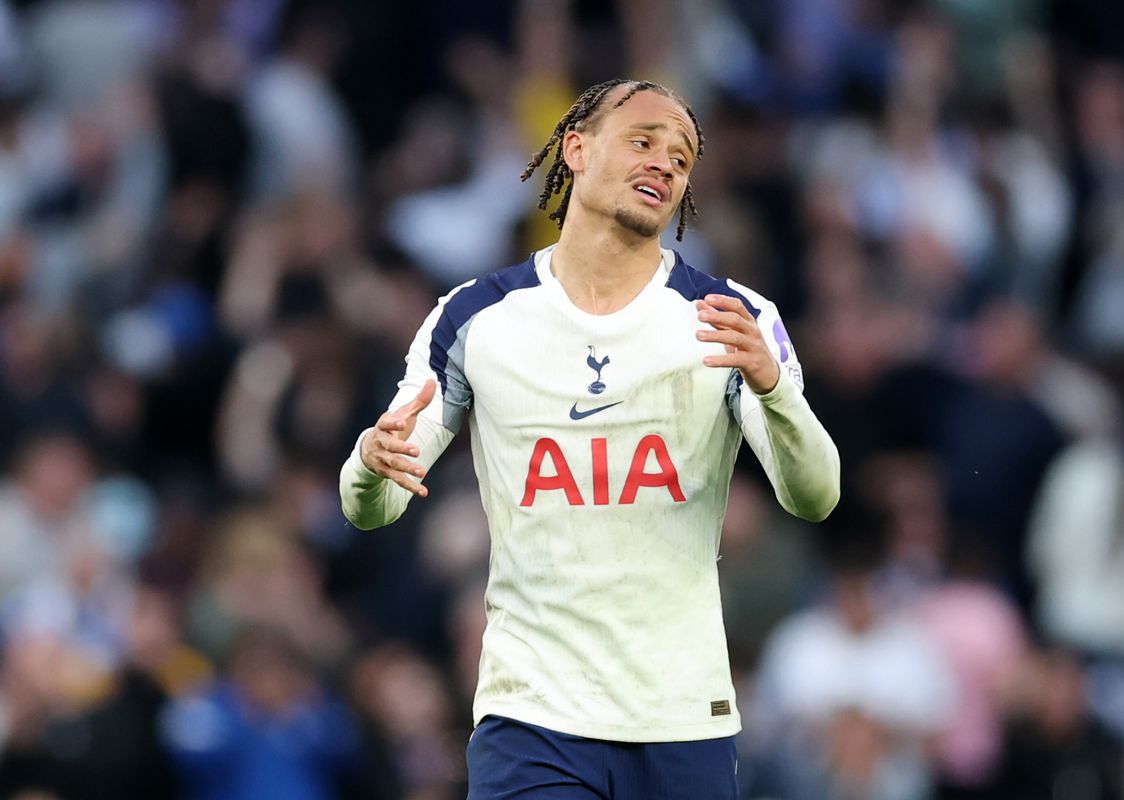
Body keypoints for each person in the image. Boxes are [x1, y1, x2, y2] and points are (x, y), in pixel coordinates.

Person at [339, 78, 840, 799]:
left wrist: (774, 390)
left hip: (682, 719)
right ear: (576, 148)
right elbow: (374, 503)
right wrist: (367, 463)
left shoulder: (733, 318)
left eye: (682, 156)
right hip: (533, 715)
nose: (665, 163)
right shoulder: (476, 317)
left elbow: (817, 496)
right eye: (643, 141)